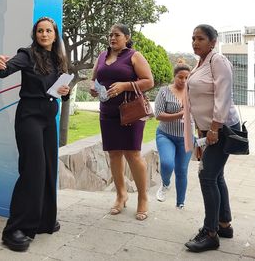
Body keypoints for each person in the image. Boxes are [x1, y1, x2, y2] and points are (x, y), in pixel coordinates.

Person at [0, 17, 70, 252]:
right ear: (35, 34)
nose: (44, 34)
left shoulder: (58, 58)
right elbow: (5, 70)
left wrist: (64, 91)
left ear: (55, 35)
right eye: (40, 31)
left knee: (48, 169)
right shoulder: (27, 54)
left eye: (48, 31)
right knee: (33, 170)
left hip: (48, 120)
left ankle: (43, 219)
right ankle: (15, 229)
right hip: (29, 118)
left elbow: (62, 93)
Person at [183, 24, 242, 253]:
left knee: (207, 176)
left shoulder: (218, 61)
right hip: (208, 129)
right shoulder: (200, 63)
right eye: (193, 38)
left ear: (213, 42)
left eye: (200, 38)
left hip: (222, 127)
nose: (195, 42)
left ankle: (210, 233)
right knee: (216, 176)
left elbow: (223, 96)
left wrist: (215, 128)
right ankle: (224, 224)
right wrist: (201, 131)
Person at [90, 24, 154, 221]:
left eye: (117, 35)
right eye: (110, 35)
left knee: (133, 154)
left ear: (127, 37)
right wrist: (93, 88)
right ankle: (121, 195)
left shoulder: (134, 56)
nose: (112, 38)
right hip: (107, 112)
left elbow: (149, 81)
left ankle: (142, 198)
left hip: (131, 113)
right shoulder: (102, 56)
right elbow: (94, 79)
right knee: (114, 154)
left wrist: (125, 86)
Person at [154, 59, 194, 209]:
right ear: (174, 76)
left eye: (186, 77)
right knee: (167, 163)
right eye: (180, 77)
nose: (183, 80)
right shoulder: (164, 91)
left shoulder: (193, 92)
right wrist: (180, 114)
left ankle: (180, 203)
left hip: (186, 137)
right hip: (166, 135)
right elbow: (158, 115)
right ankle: (165, 184)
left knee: (182, 170)